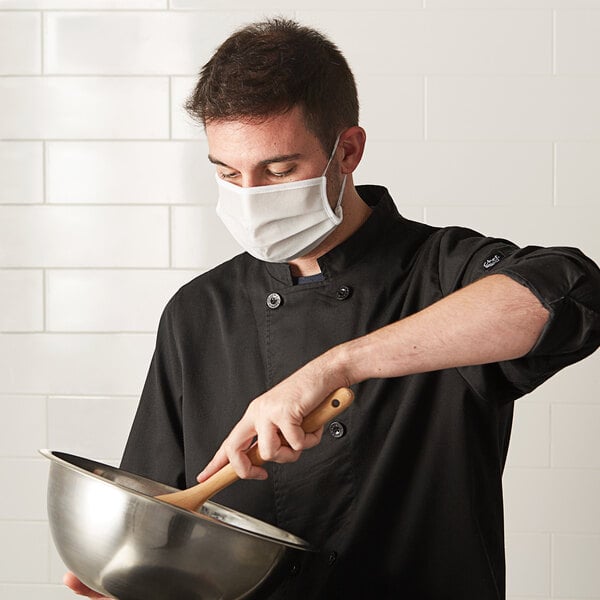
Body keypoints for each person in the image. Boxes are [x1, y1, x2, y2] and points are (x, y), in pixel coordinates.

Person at [65, 17, 600, 600]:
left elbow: (571, 292)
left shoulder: (441, 273)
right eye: (227, 173)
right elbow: (159, 519)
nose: (249, 196)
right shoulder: (198, 312)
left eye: (278, 169)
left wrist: (337, 365)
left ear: (348, 151)